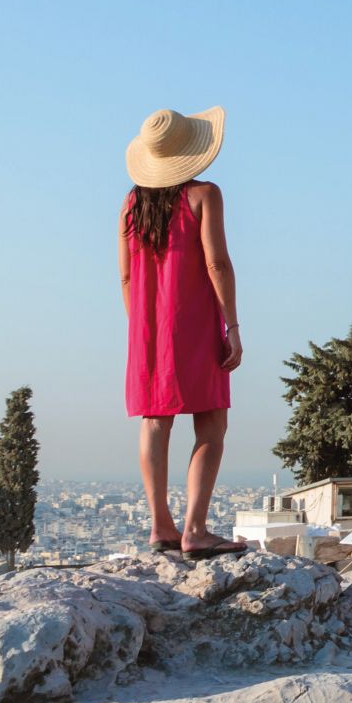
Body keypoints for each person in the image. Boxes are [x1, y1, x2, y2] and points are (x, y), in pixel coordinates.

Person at [119, 107, 247, 558]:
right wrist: (231, 325)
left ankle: (160, 527)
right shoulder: (204, 195)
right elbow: (217, 263)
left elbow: (128, 279)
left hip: (146, 330)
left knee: (155, 423)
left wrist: (142, 329)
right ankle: (195, 529)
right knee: (211, 423)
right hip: (193, 325)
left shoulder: (132, 205)